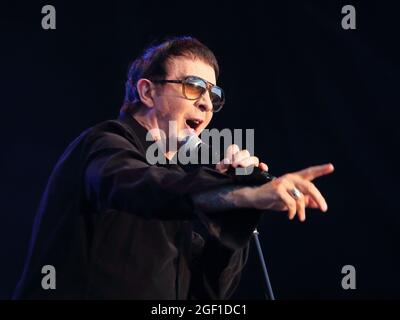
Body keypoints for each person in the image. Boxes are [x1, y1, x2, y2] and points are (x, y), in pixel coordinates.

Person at [13, 36, 334, 300]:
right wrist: (231, 190)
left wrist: (238, 204)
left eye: (213, 94)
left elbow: (205, 296)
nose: (207, 104)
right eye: (194, 86)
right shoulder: (104, 144)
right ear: (147, 91)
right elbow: (135, 184)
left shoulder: (175, 187)